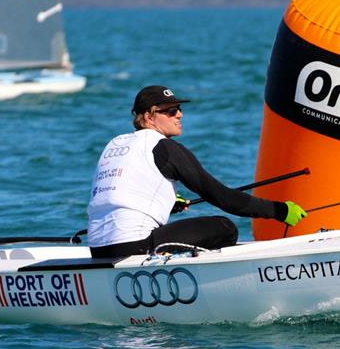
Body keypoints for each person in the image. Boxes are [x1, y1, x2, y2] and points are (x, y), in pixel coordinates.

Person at [87, 85, 307, 258]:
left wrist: (169, 201)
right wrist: (278, 210)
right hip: (134, 247)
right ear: (148, 117)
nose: (180, 115)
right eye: (171, 111)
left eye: (180, 109)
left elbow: (115, 193)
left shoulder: (115, 144)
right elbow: (222, 196)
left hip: (98, 249)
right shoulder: (163, 146)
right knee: (224, 227)